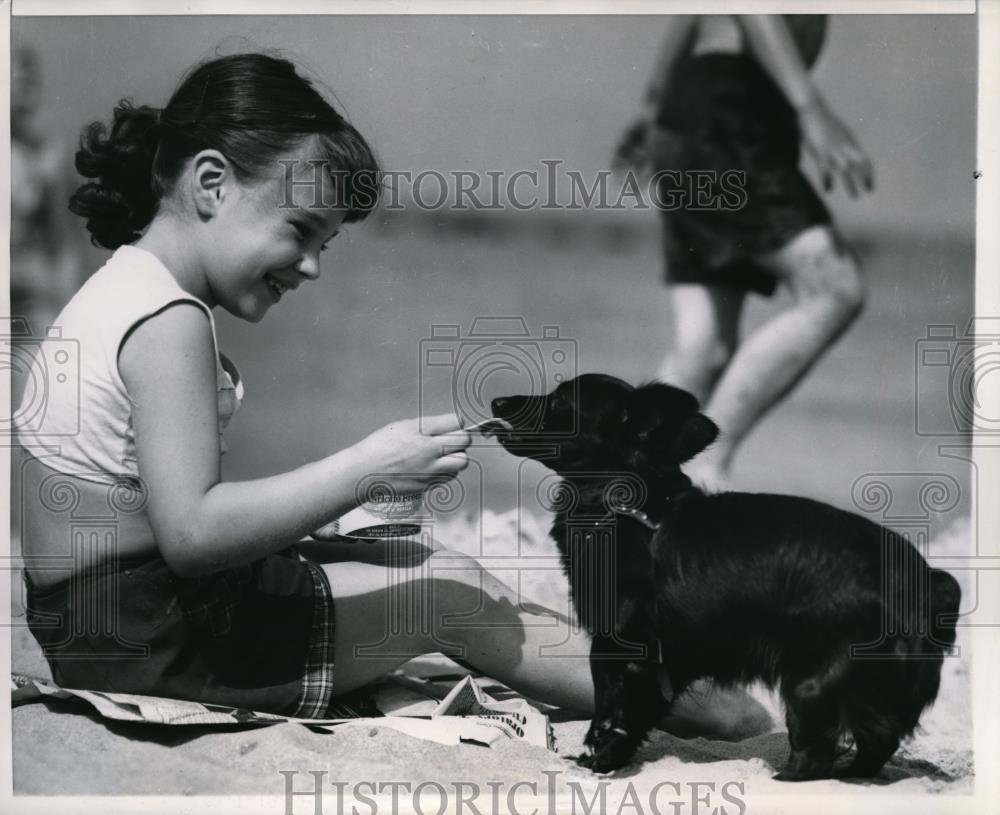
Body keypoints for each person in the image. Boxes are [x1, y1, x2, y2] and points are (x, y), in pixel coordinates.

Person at [15, 51, 770, 736]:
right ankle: (692, 699)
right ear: (212, 183)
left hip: (106, 622)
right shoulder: (170, 320)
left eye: (326, 245)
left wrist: (342, 521)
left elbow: (157, 521)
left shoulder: (126, 286)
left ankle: (654, 674)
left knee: (411, 556)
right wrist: (367, 467)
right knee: (443, 596)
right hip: (150, 643)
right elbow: (193, 532)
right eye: (301, 229)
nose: (311, 267)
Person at [616, 15, 874, 487]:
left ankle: (632, 486)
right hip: (731, 111)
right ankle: (703, 463)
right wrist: (810, 107)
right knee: (835, 287)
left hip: (695, 112)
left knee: (705, 345)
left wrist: (655, 104)